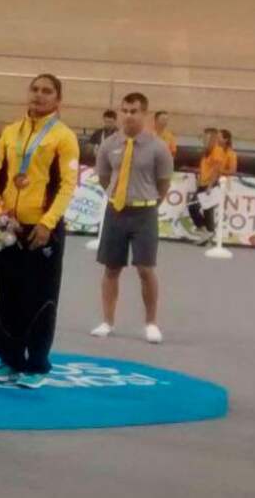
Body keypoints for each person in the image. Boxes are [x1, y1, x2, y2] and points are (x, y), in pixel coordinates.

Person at [0, 73, 79, 389]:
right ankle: (9, 359)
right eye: (35, 89)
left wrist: (47, 222)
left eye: (47, 91)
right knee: (8, 293)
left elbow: (67, 185)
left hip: (42, 228)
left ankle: (37, 364)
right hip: (9, 225)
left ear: (57, 100)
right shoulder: (11, 132)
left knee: (40, 296)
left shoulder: (63, 137)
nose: (39, 96)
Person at [90, 93, 174, 345]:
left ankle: (151, 323)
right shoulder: (109, 144)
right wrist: (117, 196)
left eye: (134, 111)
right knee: (111, 267)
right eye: (124, 110)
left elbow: (164, 182)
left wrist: (149, 201)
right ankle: (107, 321)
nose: (128, 115)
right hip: (116, 211)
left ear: (144, 114)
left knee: (145, 269)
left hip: (144, 212)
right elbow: (104, 176)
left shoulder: (158, 147)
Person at [188, 128, 226, 245]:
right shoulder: (206, 152)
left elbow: (216, 169)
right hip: (203, 183)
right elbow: (204, 168)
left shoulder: (217, 151)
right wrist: (199, 180)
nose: (204, 140)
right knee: (207, 210)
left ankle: (205, 231)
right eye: (203, 137)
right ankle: (207, 236)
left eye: (206, 138)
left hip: (210, 184)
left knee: (193, 207)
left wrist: (210, 185)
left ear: (213, 138)